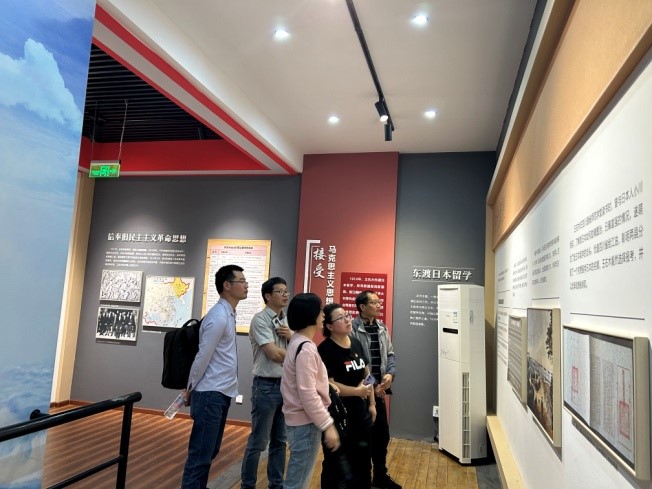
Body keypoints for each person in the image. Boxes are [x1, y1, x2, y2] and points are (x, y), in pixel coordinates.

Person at [181, 265, 248, 489]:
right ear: (227, 286)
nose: (246, 285)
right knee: (201, 454)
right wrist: (190, 388)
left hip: (220, 392)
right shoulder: (218, 317)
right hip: (210, 393)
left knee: (209, 451)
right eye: (241, 281)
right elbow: (202, 356)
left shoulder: (227, 313)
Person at [281, 293, 340, 489]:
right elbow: (307, 394)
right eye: (321, 310)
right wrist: (327, 425)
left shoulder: (297, 341)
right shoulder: (305, 349)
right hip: (305, 423)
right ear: (310, 314)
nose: (323, 315)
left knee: (297, 478)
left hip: (300, 421)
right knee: (297, 483)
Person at [240, 277, 293, 489]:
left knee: (280, 441)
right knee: (258, 442)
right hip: (266, 387)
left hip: (285, 385)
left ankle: (276, 485)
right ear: (268, 296)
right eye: (280, 291)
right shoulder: (260, 320)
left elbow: (295, 346)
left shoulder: (287, 321)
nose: (285, 295)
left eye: (286, 291)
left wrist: (292, 337)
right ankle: (248, 485)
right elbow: (273, 354)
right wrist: (299, 353)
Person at [318, 303, 376, 489]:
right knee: (337, 463)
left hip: (361, 413)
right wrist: (357, 392)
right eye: (341, 318)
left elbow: (368, 374)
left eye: (347, 316)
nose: (347, 320)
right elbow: (330, 385)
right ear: (329, 326)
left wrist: (372, 403)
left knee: (363, 459)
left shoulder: (355, 342)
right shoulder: (325, 349)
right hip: (340, 416)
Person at [350, 290, 401, 489]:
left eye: (379, 302)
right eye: (374, 303)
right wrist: (373, 385)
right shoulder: (352, 330)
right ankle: (361, 478)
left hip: (379, 392)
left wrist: (390, 374)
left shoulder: (381, 327)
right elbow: (357, 365)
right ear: (362, 307)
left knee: (382, 437)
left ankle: (380, 475)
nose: (379, 305)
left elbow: (391, 354)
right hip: (360, 394)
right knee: (362, 439)